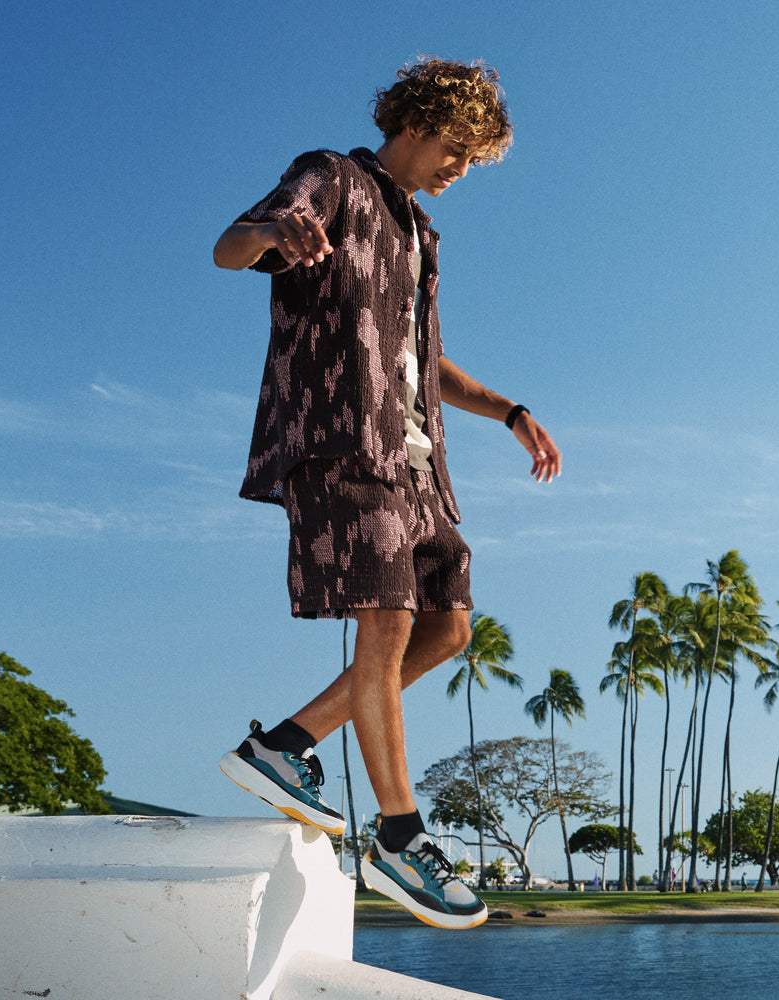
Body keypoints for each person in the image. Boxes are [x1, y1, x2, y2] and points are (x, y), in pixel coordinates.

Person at [212, 57, 561, 930]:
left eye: (474, 159)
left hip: (417, 464)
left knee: (448, 629)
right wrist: (279, 228)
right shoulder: (332, 177)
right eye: (455, 149)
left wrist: (509, 411)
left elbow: (421, 357)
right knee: (388, 622)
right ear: (414, 124)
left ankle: (283, 747)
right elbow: (230, 247)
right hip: (342, 443)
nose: (461, 169)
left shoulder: (419, 233)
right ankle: (400, 839)